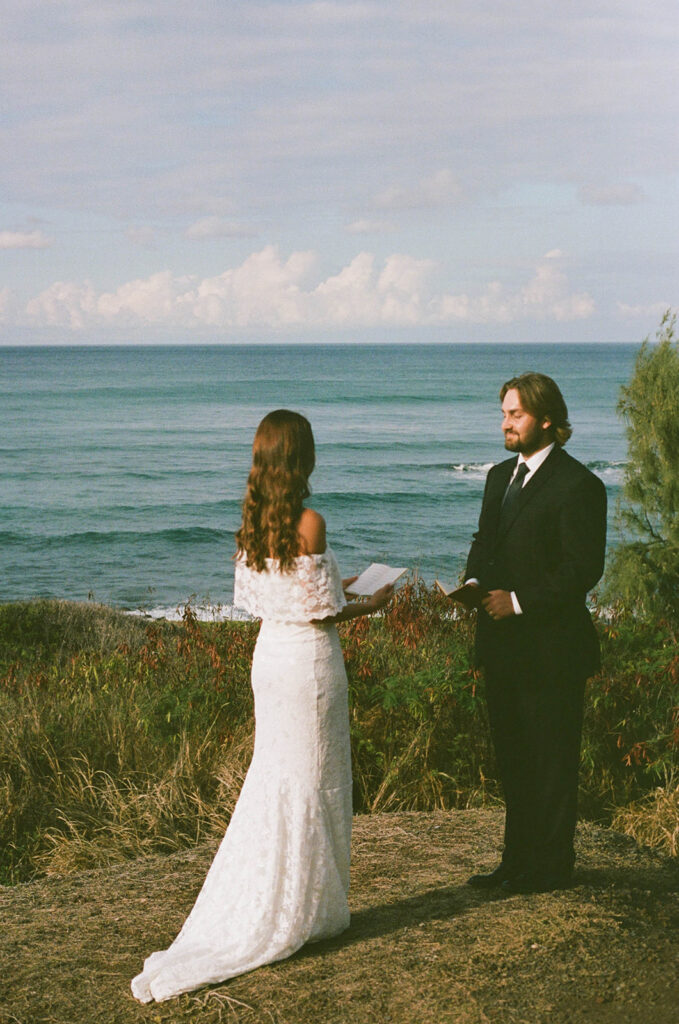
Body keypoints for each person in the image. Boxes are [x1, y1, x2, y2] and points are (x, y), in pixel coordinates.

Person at [131, 409, 393, 1002]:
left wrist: (339, 584)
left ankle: (291, 901)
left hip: (269, 659)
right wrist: (371, 604)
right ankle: (305, 908)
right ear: (301, 459)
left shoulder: (254, 524)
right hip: (309, 664)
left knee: (277, 775)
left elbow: (283, 594)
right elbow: (322, 610)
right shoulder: (310, 521)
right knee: (313, 779)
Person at [465, 373, 606, 894]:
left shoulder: (580, 485)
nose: (505, 423)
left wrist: (518, 601)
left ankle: (550, 867)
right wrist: (474, 583)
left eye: (515, 414)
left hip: (552, 648)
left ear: (546, 419)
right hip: (500, 644)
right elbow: (485, 542)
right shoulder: (499, 475)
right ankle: (515, 862)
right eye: (503, 414)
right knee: (514, 757)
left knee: (551, 759)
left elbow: (582, 568)